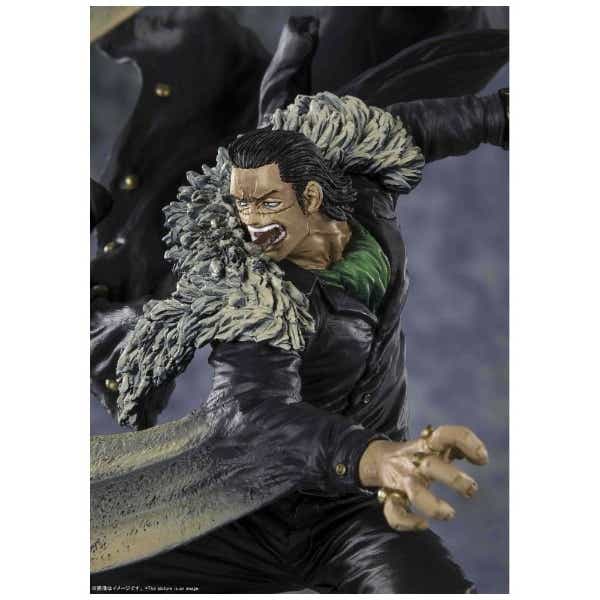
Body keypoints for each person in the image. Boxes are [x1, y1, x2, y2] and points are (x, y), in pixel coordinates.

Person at [91, 87, 507, 592]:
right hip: (238, 512)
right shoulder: (249, 292)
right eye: (243, 205)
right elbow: (250, 412)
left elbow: (416, 127)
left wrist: (498, 114)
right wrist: (375, 457)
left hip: (351, 512)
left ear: (311, 197)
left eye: (268, 203)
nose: (253, 224)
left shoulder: (365, 196)